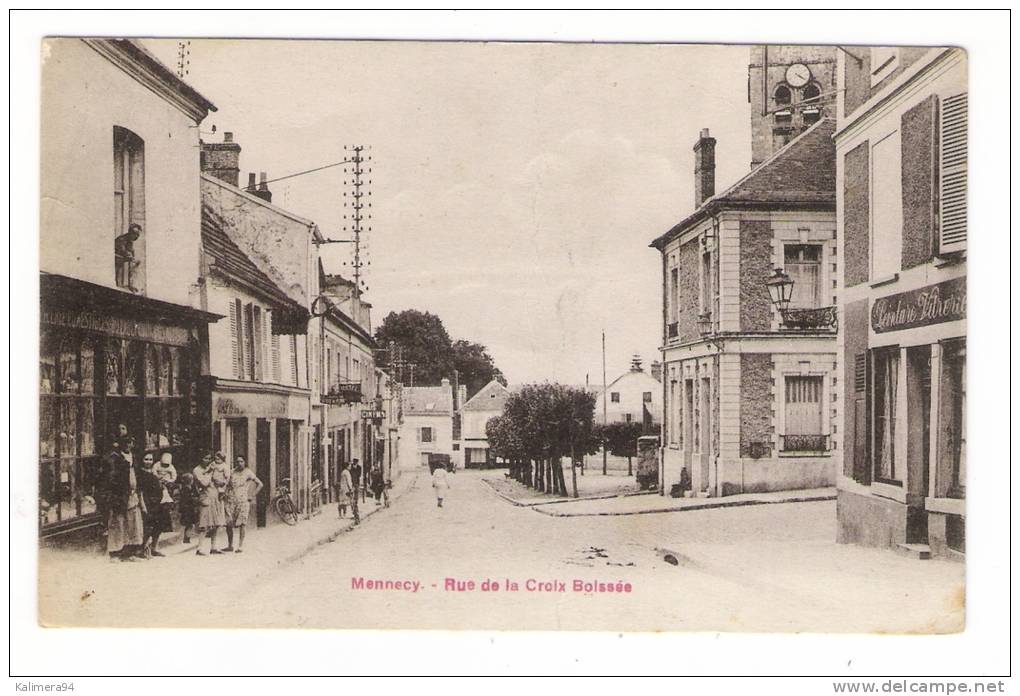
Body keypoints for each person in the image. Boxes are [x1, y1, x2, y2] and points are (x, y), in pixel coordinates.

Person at [104, 436, 145, 562]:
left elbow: (138, 474)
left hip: (133, 495)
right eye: (126, 443)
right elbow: (111, 478)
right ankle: (115, 553)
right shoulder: (115, 458)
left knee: (133, 524)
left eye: (130, 443)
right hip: (120, 497)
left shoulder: (134, 457)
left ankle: (130, 552)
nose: (128, 445)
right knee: (118, 524)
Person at [223, 456, 262, 553]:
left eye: (241, 461)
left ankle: (240, 546)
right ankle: (230, 545)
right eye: (237, 461)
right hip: (231, 500)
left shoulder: (248, 472)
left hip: (243, 501)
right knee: (229, 523)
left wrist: (252, 495)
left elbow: (260, 484)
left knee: (242, 523)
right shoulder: (232, 472)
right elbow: (227, 485)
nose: (239, 463)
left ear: (245, 462)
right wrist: (225, 494)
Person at [193, 453, 226, 556]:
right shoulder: (197, 470)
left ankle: (213, 547)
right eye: (205, 458)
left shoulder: (211, 468)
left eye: (209, 458)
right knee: (204, 524)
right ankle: (199, 548)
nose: (207, 460)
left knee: (216, 523)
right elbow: (204, 483)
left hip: (215, 497)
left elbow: (219, 480)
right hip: (205, 498)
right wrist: (210, 472)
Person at [137, 453, 169, 558]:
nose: (148, 461)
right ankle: (143, 549)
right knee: (148, 527)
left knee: (158, 526)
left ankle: (154, 548)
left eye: (150, 459)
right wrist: (143, 506)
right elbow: (140, 491)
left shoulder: (154, 471)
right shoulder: (140, 473)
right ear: (142, 460)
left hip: (157, 502)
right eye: (146, 459)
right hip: (147, 501)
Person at [176, 471, 198, 544]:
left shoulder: (186, 488)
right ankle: (185, 538)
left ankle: (187, 538)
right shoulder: (186, 489)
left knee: (188, 524)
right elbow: (188, 499)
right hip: (188, 509)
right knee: (188, 524)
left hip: (187, 509)